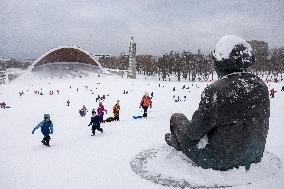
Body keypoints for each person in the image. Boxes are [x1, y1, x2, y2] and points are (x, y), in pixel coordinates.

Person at [165, 35, 270, 171]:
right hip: (255, 155)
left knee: (177, 118)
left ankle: (178, 144)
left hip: (219, 160)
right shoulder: (260, 86)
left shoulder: (216, 91)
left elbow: (193, 133)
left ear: (219, 63)